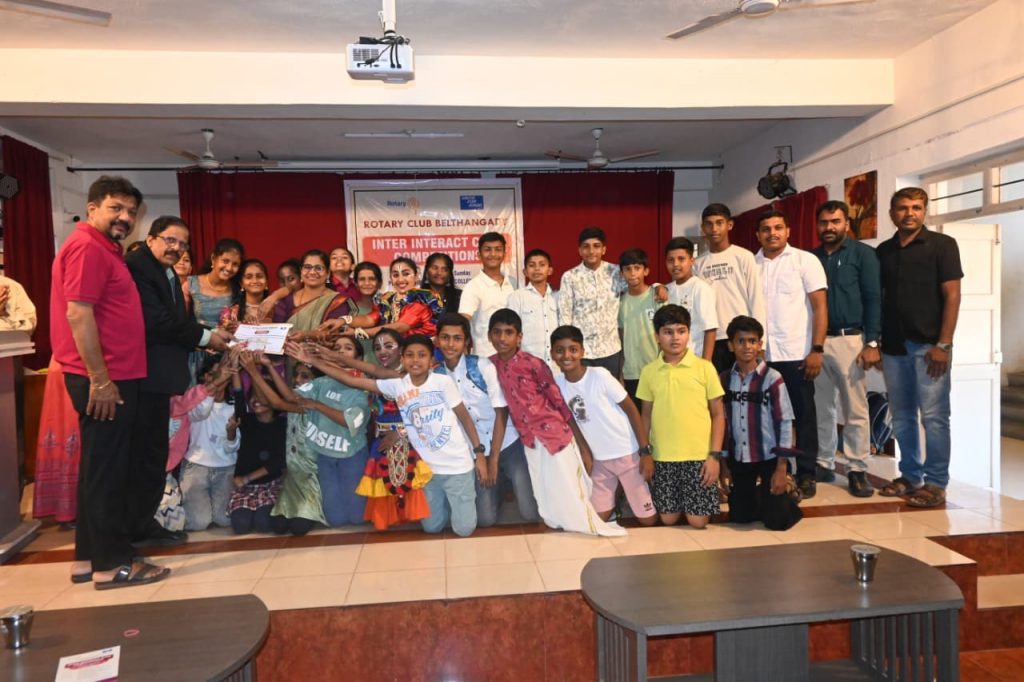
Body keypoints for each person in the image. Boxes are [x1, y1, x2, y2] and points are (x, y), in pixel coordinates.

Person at [50, 175, 168, 589]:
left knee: (99, 470)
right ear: (92, 208)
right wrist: (100, 380)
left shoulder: (102, 248)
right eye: (116, 208)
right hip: (105, 379)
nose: (125, 217)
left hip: (111, 375)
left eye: (131, 211)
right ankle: (113, 563)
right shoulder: (87, 247)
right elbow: (78, 314)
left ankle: (88, 558)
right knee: (111, 472)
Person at [298, 334, 488, 537]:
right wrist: (314, 361)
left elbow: (465, 417)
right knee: (431, 528)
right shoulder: (397, 385)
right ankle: (450, 506)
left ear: (431, 359)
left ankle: (458, 505)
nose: (416, 360)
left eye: (422, 355)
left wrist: (479, 454)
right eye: (410, 355)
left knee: (464, 530)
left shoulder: (442, 382)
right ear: (403, 359)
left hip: (458, 466)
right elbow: (351, 379)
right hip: (428, 472)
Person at [125, 215, 231, 548]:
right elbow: (157, 321)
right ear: (151, 238)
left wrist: (205, 338)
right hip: (144, 376)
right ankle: (134, 528)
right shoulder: (139, 267)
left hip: (161, 377)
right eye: (170, 240)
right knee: (144, 456)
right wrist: (207, 337)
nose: (177, 248)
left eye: (183, 243)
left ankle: (145, 524)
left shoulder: (166, 271)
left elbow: (171, 321)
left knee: (152, 455)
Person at [488, 308, 626, 537]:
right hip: (529, 438)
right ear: (489, 335)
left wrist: (581, 444)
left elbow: (559, 402)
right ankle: (557, 522)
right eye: (497, 332)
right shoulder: (490, 365)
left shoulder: (533, 364)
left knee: (568, 483)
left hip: (554, 434)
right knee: (544, 485)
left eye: (509, 332)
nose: (502, 338)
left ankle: (587, 523)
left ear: (519, 337)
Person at [876, 187, 963, 508]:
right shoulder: (884, 251)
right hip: (894, 347)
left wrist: (944, 344)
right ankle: (910, 476)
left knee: (935, 417)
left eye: (915, 207)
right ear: (892, 213)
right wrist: (877, 342)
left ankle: (936, 483)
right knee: (901, 417)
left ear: (925, 211)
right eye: (902, 208)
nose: (909, 213)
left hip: (930, 347)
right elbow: (881, 298)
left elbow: (952, 295)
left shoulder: (943, 245)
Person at [246, 341, 370, 527]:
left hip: (352, 455)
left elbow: (349, 420)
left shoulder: (364, 386)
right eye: (336, 348)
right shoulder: (321, 383)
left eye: (348, 348)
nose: (341, 352)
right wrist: (268, 366)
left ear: (358, 358)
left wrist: (318, 406)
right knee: (336, 519)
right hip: (326, 456)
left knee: (357, 518)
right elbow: (288, 398)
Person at [432, 313, 538, 527]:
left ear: (466, 341)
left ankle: (505, 478)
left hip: (507, 443)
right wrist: (480, 457)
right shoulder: (436, 377)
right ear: (437, 340)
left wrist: (493, 459)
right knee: (485, 520)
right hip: (475, 449)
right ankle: (499, 486)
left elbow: (501, 412)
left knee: (530, 513)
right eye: (445, 338)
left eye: (457, 338)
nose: (450, 344)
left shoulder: (482, 366)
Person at [755, 209, 828, 499]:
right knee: (766, 418)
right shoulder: (751, 265)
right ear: (758, 234)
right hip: (762, 356)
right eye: (766, 229)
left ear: (788, 231)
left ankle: (807, 473)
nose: (772, 233)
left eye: (778, 227)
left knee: (804, 416)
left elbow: (820, 307)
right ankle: (771, 471)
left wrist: (817, 349)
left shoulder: (805, 261)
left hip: (797, 353)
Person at [551, 325, 656, 525]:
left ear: (582, 351)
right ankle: (615, 502)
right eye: (560, 350)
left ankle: (636, 496)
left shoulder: (599, 375)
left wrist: (645, 452)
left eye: (573, 349)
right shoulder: (558, 385)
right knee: (596, 520)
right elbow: (571, 422)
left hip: (627, 455)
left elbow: (631, 410)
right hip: (600, 461)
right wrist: (585, 452)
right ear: (552, 354)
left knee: (648, 521)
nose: (566, 355)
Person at [811, 200, 881, 498]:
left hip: (850, 341)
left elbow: (874, 298)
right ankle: (823, 462)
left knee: (855, 408)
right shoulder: (810, 258)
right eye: (824, 222)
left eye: (835, 221)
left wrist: (873, 342)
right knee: (820, 406)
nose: (829, 227)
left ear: (846, 224)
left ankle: (856, 468)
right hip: (816, 342)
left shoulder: (863, 255)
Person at [637, 305, 725, 528]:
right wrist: (645, 453)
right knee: (668, 519)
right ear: (657, 337)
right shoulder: (649, 372)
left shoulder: (705, 368)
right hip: (663, 457)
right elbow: (645, 416)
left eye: (681, 331)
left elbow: (718, 415)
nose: (675, 338)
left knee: (698, 522)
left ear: (688, 333)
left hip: (699, 457)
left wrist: (714, 457)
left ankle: (705, 496)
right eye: (668, 332)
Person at [718, 316, 801, 529]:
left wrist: (781, 468)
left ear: (760, 345)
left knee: (778, 522)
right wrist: (724, 463)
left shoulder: (773, 378)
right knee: (740, 517)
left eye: (752, 341)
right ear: (730, 345)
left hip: (769, 457)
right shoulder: (724, 380)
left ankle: (787, 492)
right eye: (741, 341)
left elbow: (785, 422)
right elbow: (723, 424)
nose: (747, 346)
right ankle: (761, 495)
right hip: (740, 458)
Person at [693, 203, 766, 373]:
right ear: (703, 228)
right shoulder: (698, 264)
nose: (714, 229)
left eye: (719, 223)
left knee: (744, 386)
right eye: (709, 224)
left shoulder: (744, 256)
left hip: (742, 337)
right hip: (712, 338)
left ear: (730, 225)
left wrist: (760, 343)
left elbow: (756, 299)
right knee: (718, 387)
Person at [557, 226, 627, 377]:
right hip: (582, 352)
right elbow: (565, 315)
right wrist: (568, 349)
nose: (591, 251)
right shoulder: (570, 277)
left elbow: (637, 286)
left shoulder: (616, 272)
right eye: (586, 247)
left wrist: (656, 286)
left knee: (609, 391)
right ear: (580, 251)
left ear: (604, 249)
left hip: (611, 349)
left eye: (596, 246)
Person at [180, 354, 240, 531]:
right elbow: (201, 413)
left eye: (224, 375)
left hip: (226, 468)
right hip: (196, 466)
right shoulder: (194, 398)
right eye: (214, 374)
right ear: (205, 376)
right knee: (199, 523)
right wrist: (211, 388)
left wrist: (231, 433)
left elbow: (232, 448)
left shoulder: (234, 405)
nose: (220, 379)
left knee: (224, 520)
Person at [226, 385, 286, 535]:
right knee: (240, 526)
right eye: (253, 395)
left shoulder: (283, 425)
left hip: (270, 485)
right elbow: (239, 394)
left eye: (261, 395)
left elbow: (278, 461)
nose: (255, 400)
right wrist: (235, 371)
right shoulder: (246, 420)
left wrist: (247, 478)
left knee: (263, 524)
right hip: (245, 489)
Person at [339, 257, 443, 339]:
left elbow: (399, 327)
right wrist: (343, 320)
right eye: (395, 275)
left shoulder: (422, 300)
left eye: (406, 274)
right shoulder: (387, 300)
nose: (400, 280)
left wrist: (357, 333)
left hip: (419, 353)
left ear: (416, 276)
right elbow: (369, 319)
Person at [186, 238, 243, 382]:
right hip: (195, 353)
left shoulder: (237, 290)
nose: (229, 268)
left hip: (225, 357)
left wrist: (237, 325)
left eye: (235, 264)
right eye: (225, 261)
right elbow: (181, 321)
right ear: (213, 258)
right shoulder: (190, 284)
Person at [459, 232, 516, 357]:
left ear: (504, 254)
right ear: (479, 254)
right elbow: (462, 322)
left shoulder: (515, 284)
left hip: (514, 358)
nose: (493, 254)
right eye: (487, 250)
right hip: (485, 358)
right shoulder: (473, 287)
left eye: (498, 249)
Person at [272, 249, 351, 338]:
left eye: (318, 268)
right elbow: (276, 333)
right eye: (307, 267)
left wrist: (307, 335)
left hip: (323, 347)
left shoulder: (337, 301)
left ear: (328, 273)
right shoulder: (285, 302)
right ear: (301, 271)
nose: (312, 272)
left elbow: (335, 333)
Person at [618, 248, 662, 408]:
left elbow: (666, 334)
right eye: (627, 269)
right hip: (631, 372)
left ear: (646, 271)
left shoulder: (657, 297)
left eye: (637, 268)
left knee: (658, 415)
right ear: (621, 274)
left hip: (656, 368)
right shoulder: (620, 303)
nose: (632, 273)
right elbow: (621, 340)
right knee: (637, 417)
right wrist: (621, 371)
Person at [665, 237, 718, 362]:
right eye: (671, 260)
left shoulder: (700, 288)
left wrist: (706, 363)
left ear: (691, 261)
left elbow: (710, 328)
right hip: (672, 361)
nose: (675, 264)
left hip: (695, 359)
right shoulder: (667, 290)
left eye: (681, 259)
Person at [506, 248, 559, 367]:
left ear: (550, 270)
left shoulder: (558, 297)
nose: (537, 269)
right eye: (532, 265)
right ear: (525, 271)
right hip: (527, 365)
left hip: (557, 365)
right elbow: (511, 331)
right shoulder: (516, 297)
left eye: (542, 265)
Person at [231, 259, 273, 323]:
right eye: (249, 277)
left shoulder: (277, 308)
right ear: (241, 284)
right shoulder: (233, 311)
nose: (255, 281)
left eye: (259, 276)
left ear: (266, 282)